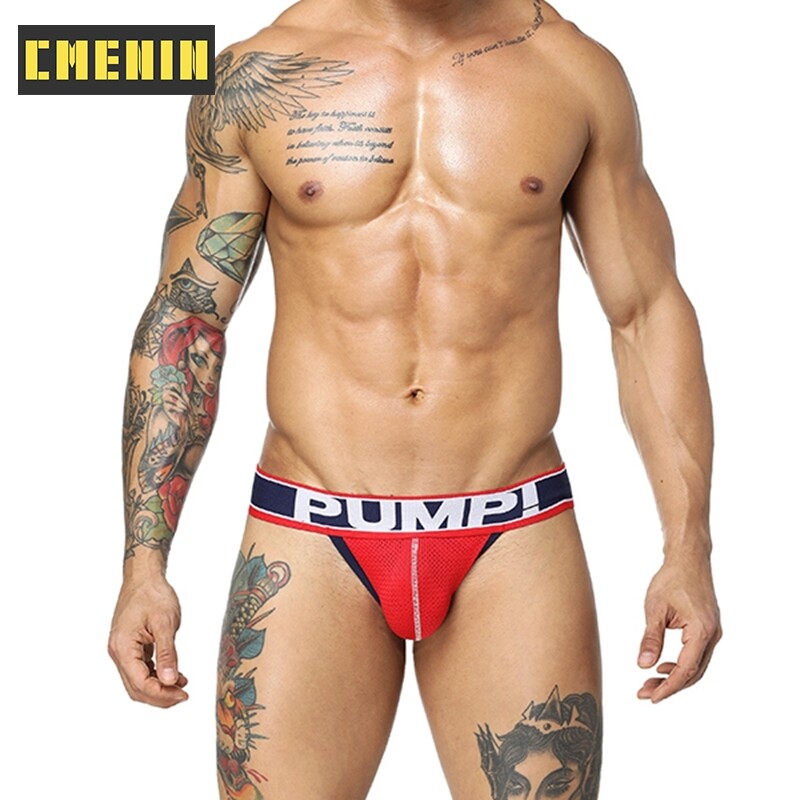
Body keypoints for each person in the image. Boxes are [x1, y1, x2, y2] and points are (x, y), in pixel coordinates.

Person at [108, 1, 722, 798]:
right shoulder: (256, 76)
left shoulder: (572, 71)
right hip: (310, 532)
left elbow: (645, 311)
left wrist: (688, 548)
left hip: (511, 531)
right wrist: (144, 564)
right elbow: (188, 316)